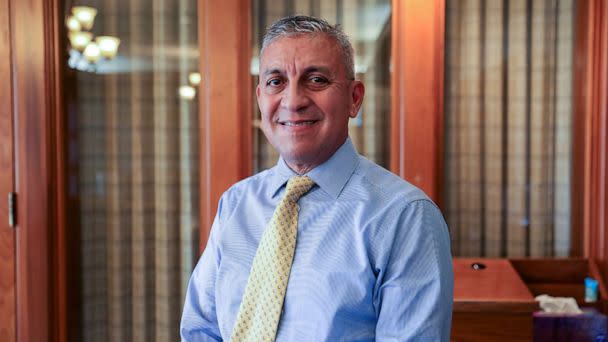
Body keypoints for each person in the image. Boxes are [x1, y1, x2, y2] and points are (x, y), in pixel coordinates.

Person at [181, 15, 453, 341]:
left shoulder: (406, 217)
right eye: (276, 81)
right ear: (260, 98)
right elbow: (201, 331)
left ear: (354, 98)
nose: (293, 101)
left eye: (317, 80)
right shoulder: (235, 204)